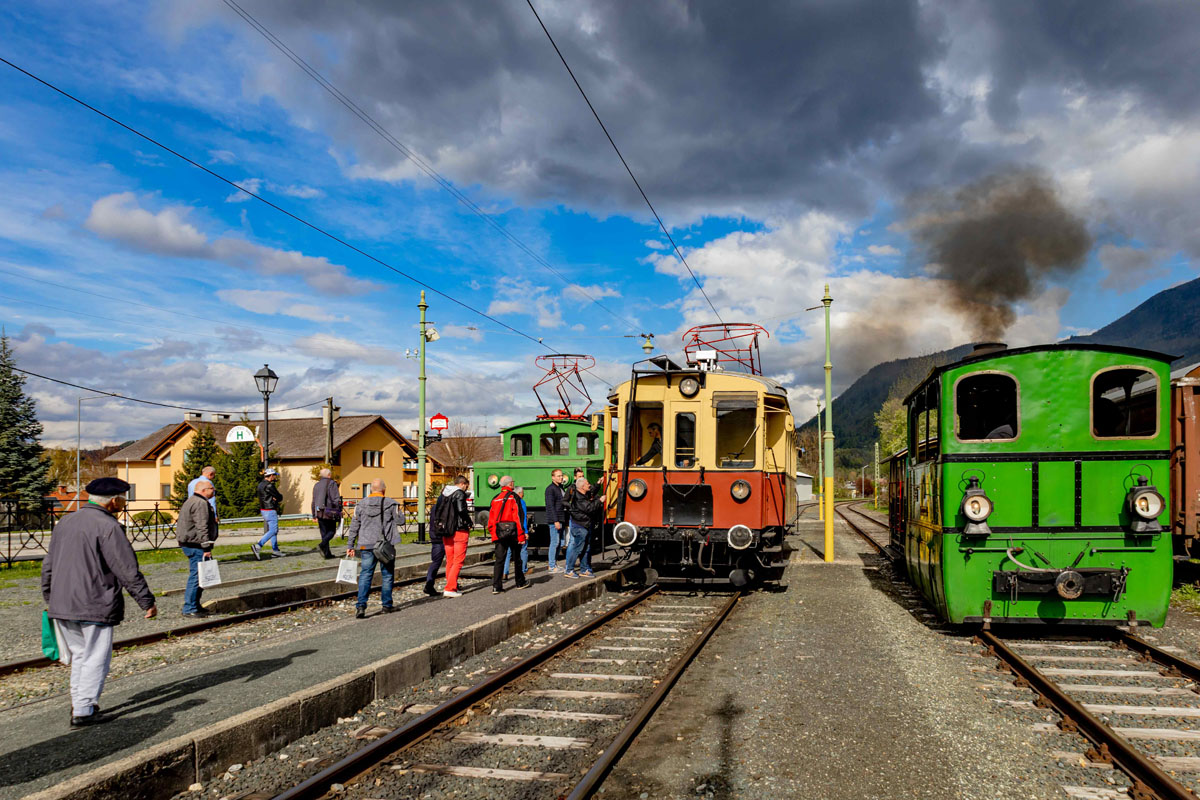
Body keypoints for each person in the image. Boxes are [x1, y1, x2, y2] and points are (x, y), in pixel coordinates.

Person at [40, 477, 156, 728]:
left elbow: (48, 564)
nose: (124, 504)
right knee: (95, 657)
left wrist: (50, 597)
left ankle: (80, 703)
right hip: (94, 601)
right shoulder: (109, 527)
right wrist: (145, 600)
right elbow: (126, 568)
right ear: (114, 500)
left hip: (63, 603)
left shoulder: (66, 522)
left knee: (80, 656)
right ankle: (84, 710)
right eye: (123, 499)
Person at [345, 478, 398, 618]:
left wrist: (350, 545)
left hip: (365, 544)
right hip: (384, 546)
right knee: (387, 575)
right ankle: (386, 605)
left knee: (365, 574)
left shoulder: (360, 504)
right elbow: (401, 521)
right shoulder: (391, 504)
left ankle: (361, 606)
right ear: (384, 490)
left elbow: (354, 527)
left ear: (371, 490)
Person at [177, 478, 218, 617]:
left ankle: (195, 604)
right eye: (211, 488)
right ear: (203, 490)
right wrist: (206, 547)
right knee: (197, 574)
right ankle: (189, 608)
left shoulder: (192, 501)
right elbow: (201, 526)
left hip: (191, 543)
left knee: (201, 575)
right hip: (195, 544)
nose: (214, 491)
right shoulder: (200, 503)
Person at [428, 475, 471, 597]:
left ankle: (451, 585)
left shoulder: (443, 494)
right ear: (462, 484)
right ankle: (450, 588)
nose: (466, 489)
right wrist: (469, 522)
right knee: (458, 561)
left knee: (450, 560)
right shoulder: (459, 494)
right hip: (459, 530)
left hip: (445, 531)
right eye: (466, 486)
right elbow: (461, 510)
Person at [487, 476, 529, 594]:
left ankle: (496, 586)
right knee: (517, 558)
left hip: (500, 533)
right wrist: (521, 535)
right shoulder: (514, 497)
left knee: (499, 560)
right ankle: (520, 582)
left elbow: (491, 519)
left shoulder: (495, 499)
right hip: (513, 532)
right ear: (510, 484)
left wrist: (493, 533)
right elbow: (518, 517)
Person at [563, 476, 601, 579]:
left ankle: (584, 569)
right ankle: (569, 570)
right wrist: (600, 501)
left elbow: (592, 490)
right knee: (577, 547)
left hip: (585, 524)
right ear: (582, 487)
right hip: (580, 525)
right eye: (588, 483)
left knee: (586, 548)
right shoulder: (579, 498)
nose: (589, 485)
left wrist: (598, 483)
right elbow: (589, 508)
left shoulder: (584, 494)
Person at [251, 468, 283, 560]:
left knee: (274, 530)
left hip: (264, 509)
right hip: (270, 509)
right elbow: (279, 496)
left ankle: (275, 550)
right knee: (273, 530)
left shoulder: (260, 484)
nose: (275, 477)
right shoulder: (269, 485)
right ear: (271, 476)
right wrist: (277, 498)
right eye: (274, 475)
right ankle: (258, 546)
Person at [311, 468, 342, 559]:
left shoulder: (316, 485)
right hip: (329, 512)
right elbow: (335, 499)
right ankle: (322, 545)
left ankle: (327, 554)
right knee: (332, 531)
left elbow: (314, 500)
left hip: (319, 512)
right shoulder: (332, 484)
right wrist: (339, 509)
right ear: (329, 475)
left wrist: (313, 514)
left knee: (324, 533)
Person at [503, 486, 531, 580]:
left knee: (508, 552)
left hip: (510, 529)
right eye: (522, 493)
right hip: (519, 530)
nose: (523, 495)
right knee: (523, 549)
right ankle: (524, 570)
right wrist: (525, 531)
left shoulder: (509, 501)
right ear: (519, 493)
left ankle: (504, 572)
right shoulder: (521, 502)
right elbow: (522, 518)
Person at [544, 468, 567, 573]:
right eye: (558, 476)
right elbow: (550, 506)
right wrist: (555, 520)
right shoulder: (550, 489)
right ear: (553, 477)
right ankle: (551, 566)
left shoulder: (560, 488)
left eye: (561, 475)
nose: (561, 477)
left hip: (561, 518)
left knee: (561, 542)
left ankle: (555, 564)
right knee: (555, 542)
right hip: (555, 519)